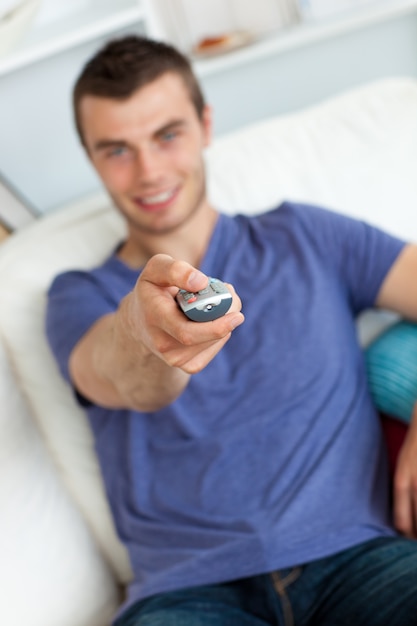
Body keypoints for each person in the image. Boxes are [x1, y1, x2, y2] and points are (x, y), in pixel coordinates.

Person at [46, 35, 417, 626]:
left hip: (361, 561)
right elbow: (126, 382)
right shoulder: (77, 295)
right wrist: (145, 333)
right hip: (189, 597)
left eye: (167, 135)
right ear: (92, 159)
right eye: (117, 150)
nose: (149, 172)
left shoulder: (308, 236)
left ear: (205, 124)